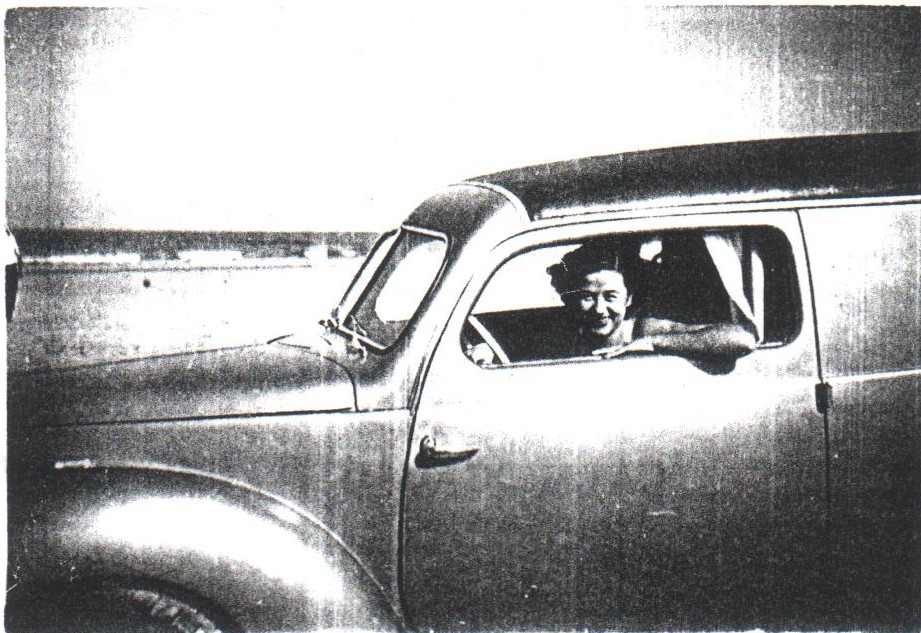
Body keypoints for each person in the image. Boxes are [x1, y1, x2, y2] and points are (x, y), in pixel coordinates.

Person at [547, 241, 757, 360]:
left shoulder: (643, 329)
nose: (599, 309)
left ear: (628, 298)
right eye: (587, 297)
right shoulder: (565, 333)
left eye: (611, 296)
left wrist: (651, 343)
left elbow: (742, 340)